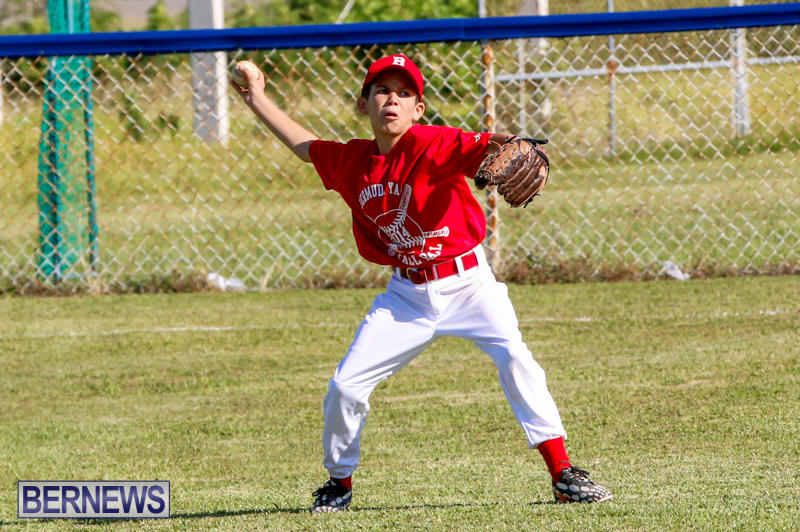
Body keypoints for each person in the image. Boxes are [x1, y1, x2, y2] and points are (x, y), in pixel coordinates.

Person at [232, 53, 612, 512]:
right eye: (381, 91)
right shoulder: (351, 161)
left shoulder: (433, 142)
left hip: (469, 284)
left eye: (404, 93)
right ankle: (339, 483)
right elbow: (304, 144)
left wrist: (512, 144)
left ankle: (563, 473)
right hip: (406, 296)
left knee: (515, 357)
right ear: (364, 104)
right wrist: (256, 97)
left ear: (418, 109)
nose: (392, 100)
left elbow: (486, 144)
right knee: (345, 387)